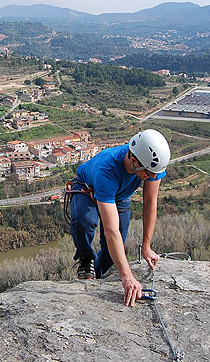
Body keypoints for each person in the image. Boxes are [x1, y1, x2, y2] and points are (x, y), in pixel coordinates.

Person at [69, 129, 170, 307]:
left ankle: (96, 277)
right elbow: (110, 229)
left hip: (120, 195)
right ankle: (86, 259)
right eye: (147, 173)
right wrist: (127, 277)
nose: (152, 177)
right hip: (88, 188)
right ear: (133, 160)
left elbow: (149, 202)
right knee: (84, 221)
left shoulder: (150, 165)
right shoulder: (107, 169)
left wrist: (146, 247)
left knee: (113, 250)